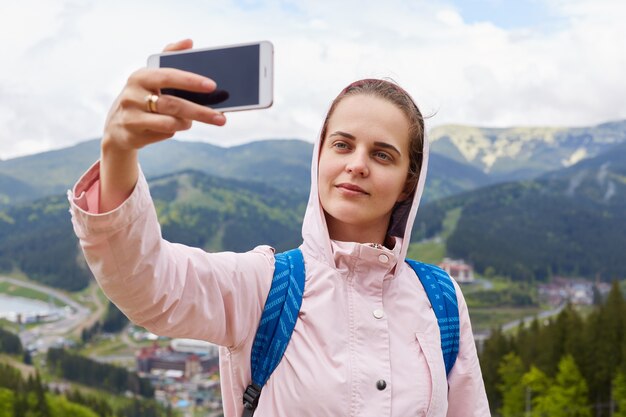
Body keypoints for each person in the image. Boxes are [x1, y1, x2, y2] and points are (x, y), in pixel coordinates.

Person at [69, 39, 490, 417]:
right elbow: (146, 283)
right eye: (342, 144)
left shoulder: (440, 298)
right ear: (320, 158)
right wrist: (118, 149)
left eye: (382, 155)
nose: (356, 164)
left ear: (407, 184)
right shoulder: (264, 286)